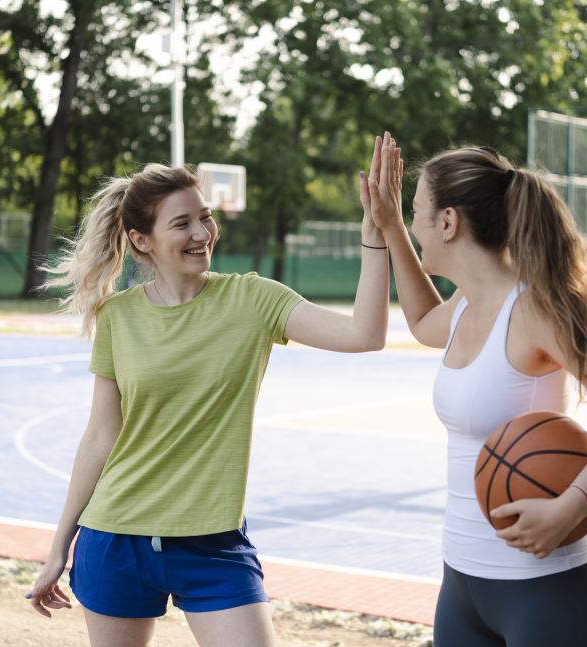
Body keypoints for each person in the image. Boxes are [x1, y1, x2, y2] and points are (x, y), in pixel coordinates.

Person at [24, 133, 402, 647]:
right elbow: (99, 437)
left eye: (204, 217)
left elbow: (365, 335)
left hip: (213, 544)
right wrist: (58, 547)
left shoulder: (253, 300)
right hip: (116, 539)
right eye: (181, 223)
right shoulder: (117, 317)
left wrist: (376, 236)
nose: (202, 232)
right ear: (141, 240)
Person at [367, 144, 587, 647]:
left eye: (415, 212)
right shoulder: (465, 305)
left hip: (546, 589)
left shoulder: (534, 312)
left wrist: (570, 507)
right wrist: (391, 228)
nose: (414, 223)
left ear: (448, 222)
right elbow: (421, 321)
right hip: (462, 584)